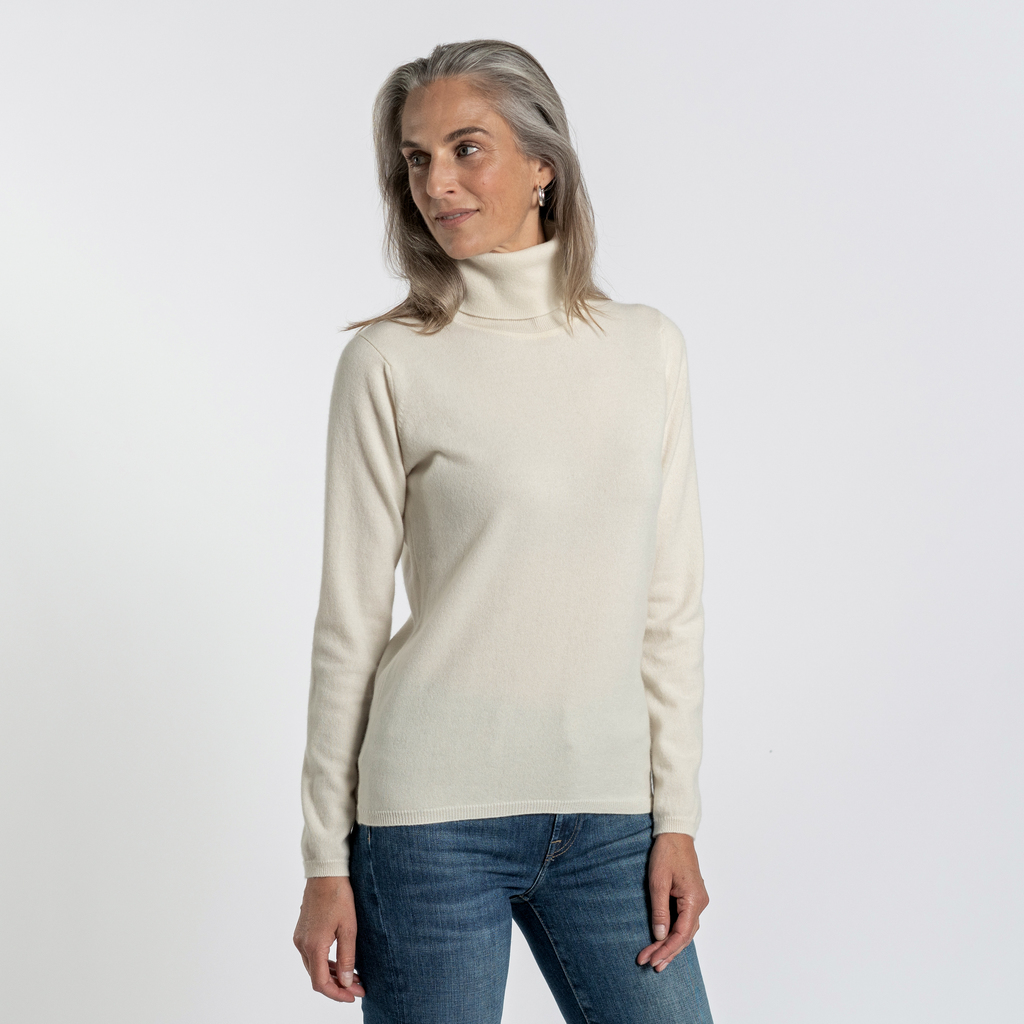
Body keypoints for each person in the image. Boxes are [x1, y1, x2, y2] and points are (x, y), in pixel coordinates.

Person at [292, 38, 714, 1024]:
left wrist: (679, 817)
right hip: (427, 823)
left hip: (613, 823)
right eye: (416, 158)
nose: (435, 183)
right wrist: (324, 861)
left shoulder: (646, 348)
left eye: (466, 148)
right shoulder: (390, 361)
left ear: (542, 165)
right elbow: (349, 623)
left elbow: (670, 607)